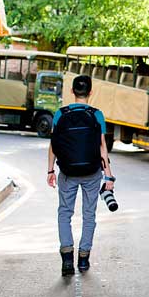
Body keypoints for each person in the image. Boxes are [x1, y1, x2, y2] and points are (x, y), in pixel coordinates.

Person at [47, 75, 115, 275]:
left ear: (72, 91)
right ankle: (84, 259)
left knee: (64, 213)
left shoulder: (60, 114)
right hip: (92, 172)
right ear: (91, 92)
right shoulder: (97, 115)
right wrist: (108, 176)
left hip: (67, 172)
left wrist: (51, 170)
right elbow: (103, 148)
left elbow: (53, 145)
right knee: (89, 215)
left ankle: (67, 258)